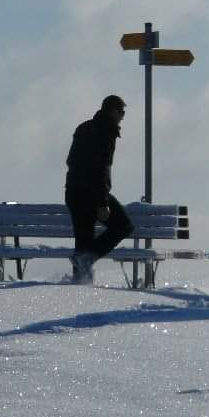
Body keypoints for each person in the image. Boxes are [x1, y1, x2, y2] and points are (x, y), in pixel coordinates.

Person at [64, 95, 134, 284]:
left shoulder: (83, 127)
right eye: (121, 112)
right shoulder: (106, 131)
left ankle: (80, 284)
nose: (123, 116)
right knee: (124, 226)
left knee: (83, 240)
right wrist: (102, 203)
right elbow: (102, 167)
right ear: (112, 110)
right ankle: (86, 261)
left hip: (73, 191)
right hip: (92, 193)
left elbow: (70, 161)